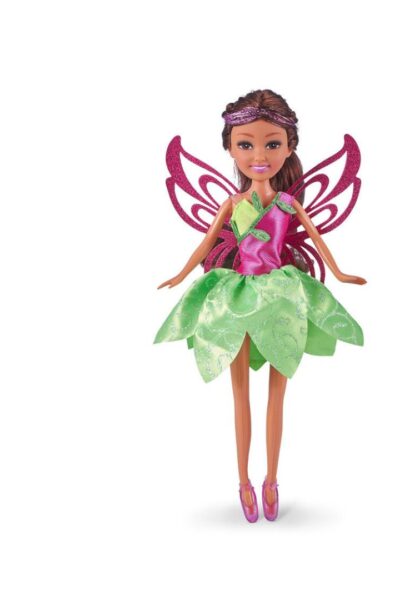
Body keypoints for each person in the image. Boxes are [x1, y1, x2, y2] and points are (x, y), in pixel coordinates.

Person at [154, 89, 366, 522]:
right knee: (239, 395)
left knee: (277, 393)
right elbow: (206, 244)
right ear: (231, 148)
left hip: (281, 295)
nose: (259, 156)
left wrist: (340, 273)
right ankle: (243, 481)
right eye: (245, 144)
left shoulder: (288, 204)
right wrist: (180, 274)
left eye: (272, 144)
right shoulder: (232, 204)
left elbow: (320, 244)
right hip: (235, 295)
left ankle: (271, 479)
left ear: (289, 148)